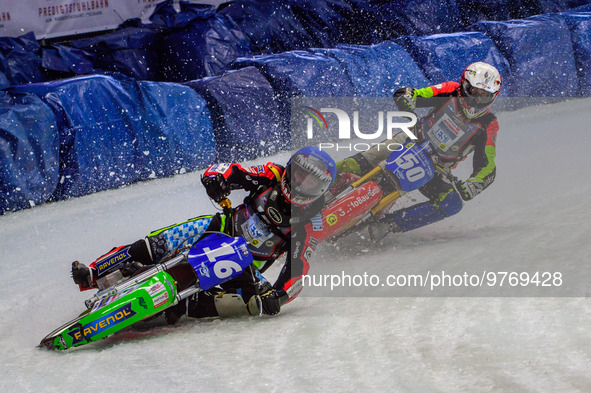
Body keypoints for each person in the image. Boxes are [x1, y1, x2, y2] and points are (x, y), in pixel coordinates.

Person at [71, 146, 336, 321]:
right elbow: (230, 171)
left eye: (310, 183)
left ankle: (183, 306)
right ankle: (94, 272)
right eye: (300, 175)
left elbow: (297, 273)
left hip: (244, 264)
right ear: (290, 169)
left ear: (320, 190)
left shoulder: (310, 223)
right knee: (159, 241)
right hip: (222, 228)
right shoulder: (272, 174)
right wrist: (217, 181)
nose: (301, 184)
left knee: (252, 301)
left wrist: (277, 296)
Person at [334, 61, 502, 240]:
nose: (476, 100)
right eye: (474, 92)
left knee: (452, 203)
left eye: (483, 96)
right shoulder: (450, 90)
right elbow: (416, 94)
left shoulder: (489, 125)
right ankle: (318, 178)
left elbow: (487, 165)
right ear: (463, 86)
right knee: (357, 162)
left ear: (493, 97)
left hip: (435, 168)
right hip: (410, 139)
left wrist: (472, 185)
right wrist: (407, 98)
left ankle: (388, 224)